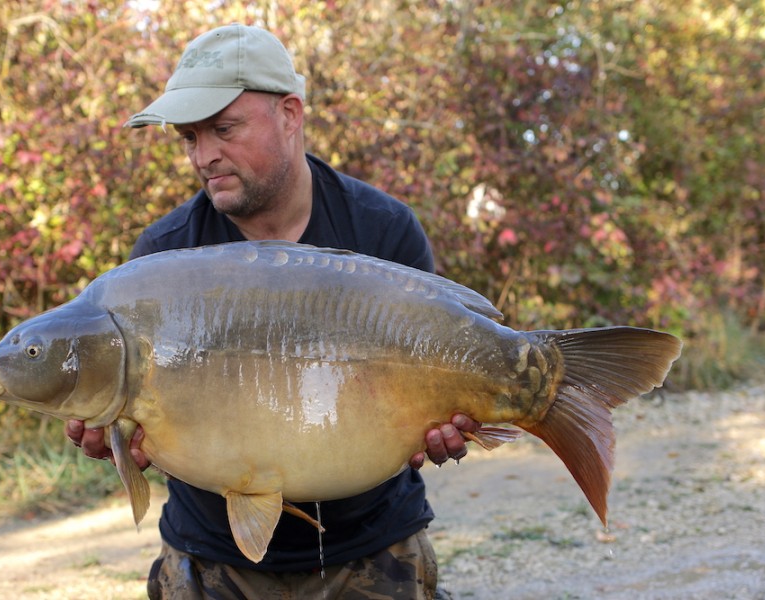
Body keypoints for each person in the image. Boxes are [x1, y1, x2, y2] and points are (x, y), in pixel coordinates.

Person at [66, 23, 480, 599]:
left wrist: (446, 427)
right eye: (189, 137)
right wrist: (113, 435)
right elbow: (149, 429)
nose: (204, 155)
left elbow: (434, 400)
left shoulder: (383, 230)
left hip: (373, 546)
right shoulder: (161, 261)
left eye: (224, 128)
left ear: (290, 114)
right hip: (210, 557)